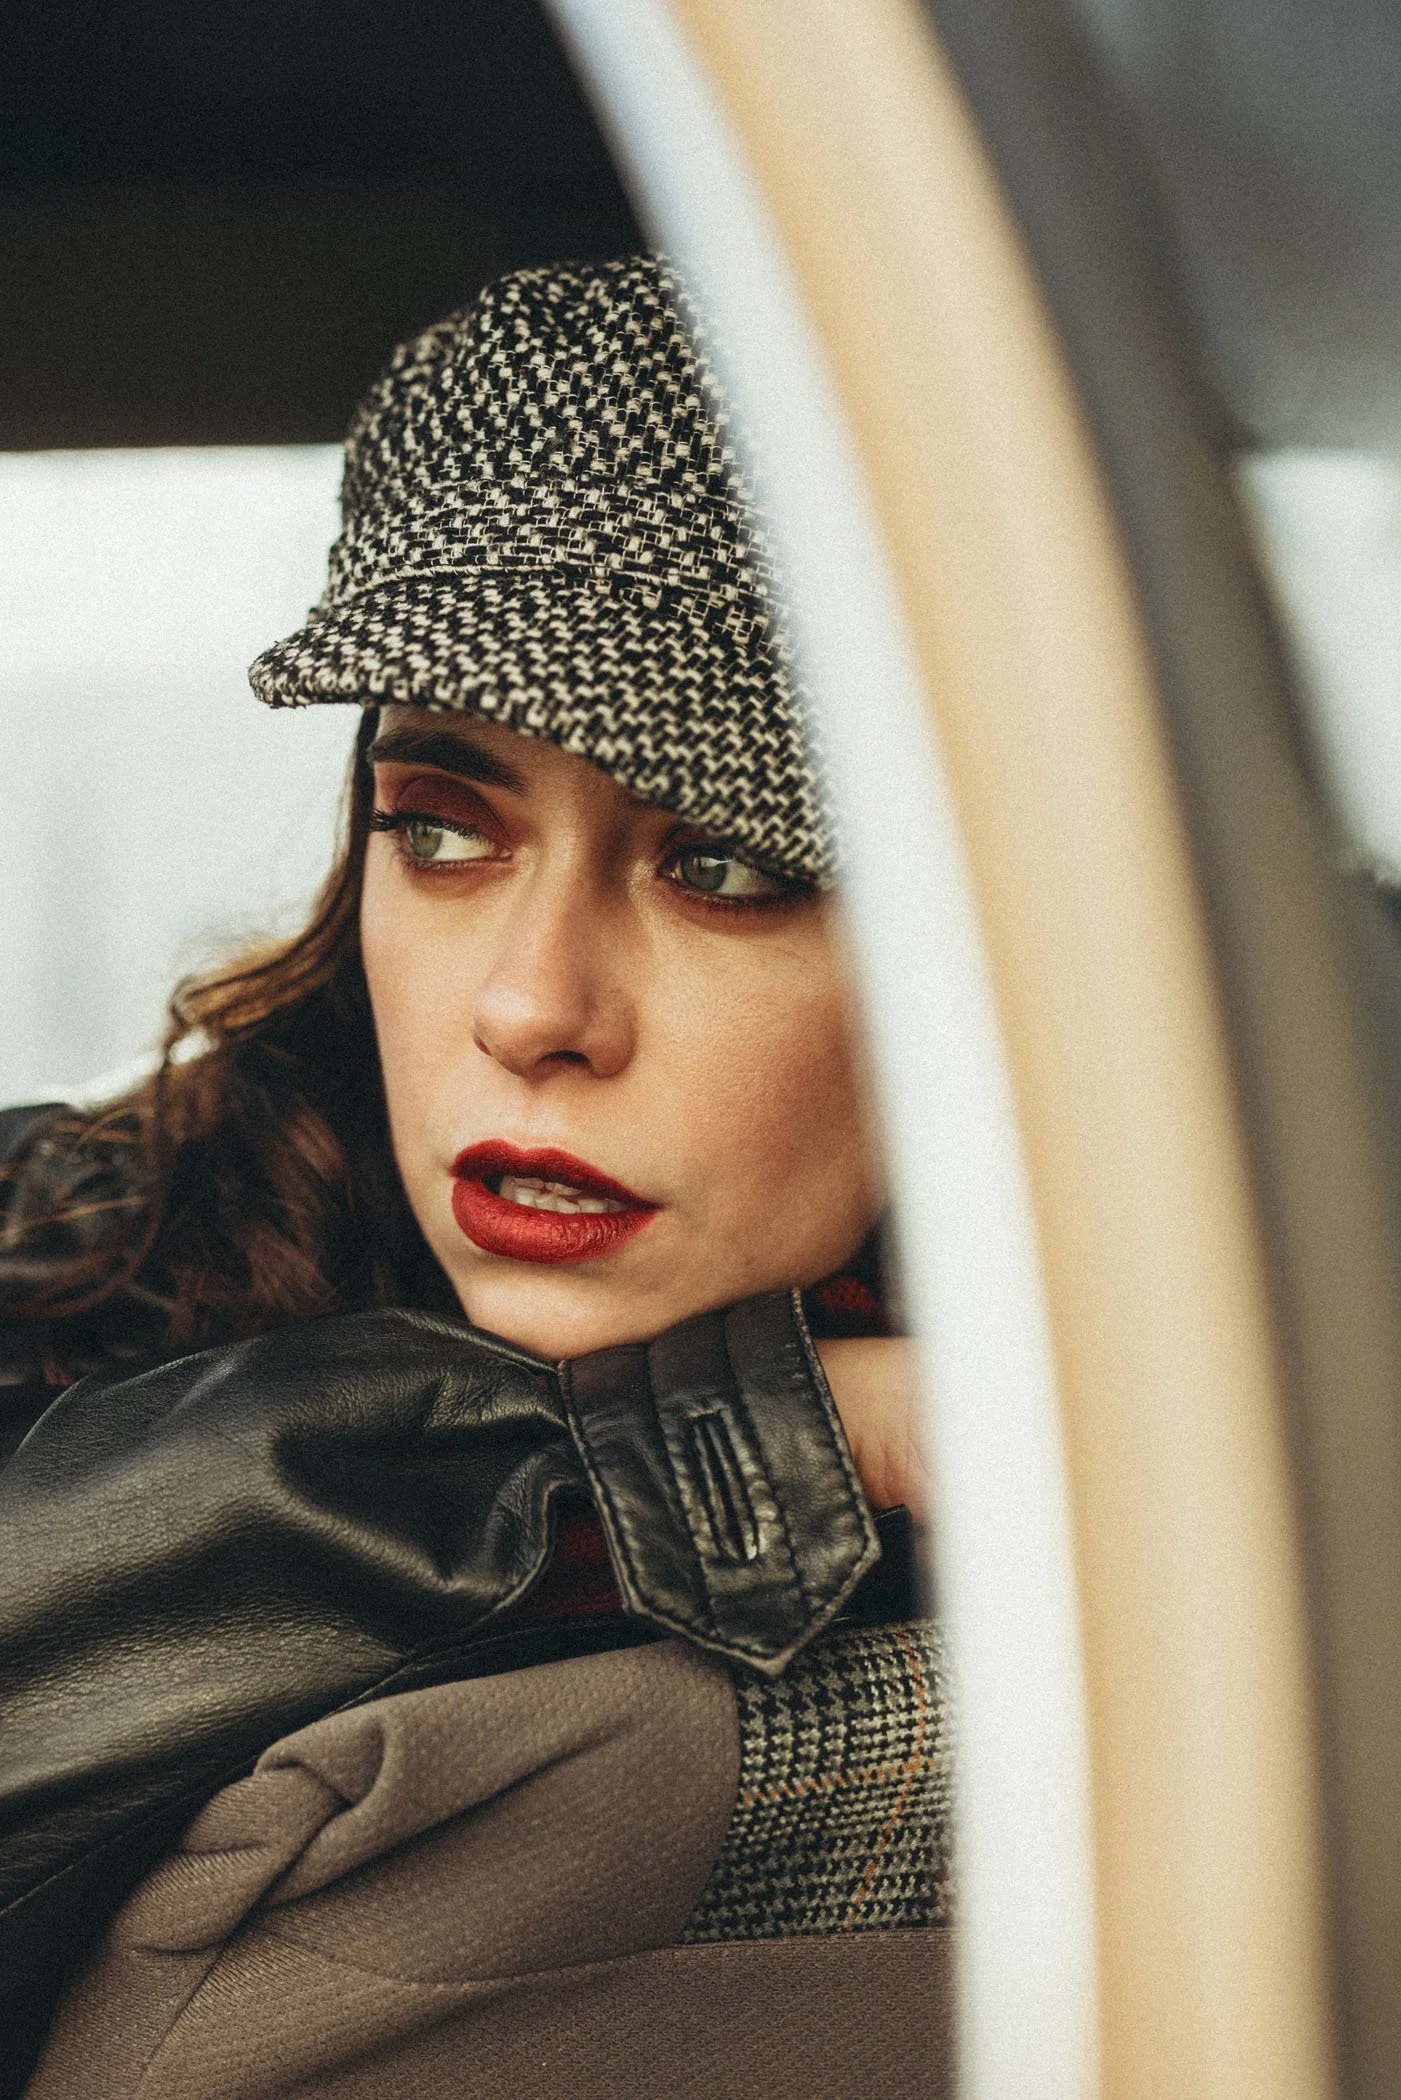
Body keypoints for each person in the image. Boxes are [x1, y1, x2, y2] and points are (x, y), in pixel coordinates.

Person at [0, 256, 950, 2098]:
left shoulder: (1216, 1510)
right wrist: (753, 1440)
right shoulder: (66, 1236)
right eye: (442, 829)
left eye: (731, 867)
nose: (530, 1008)